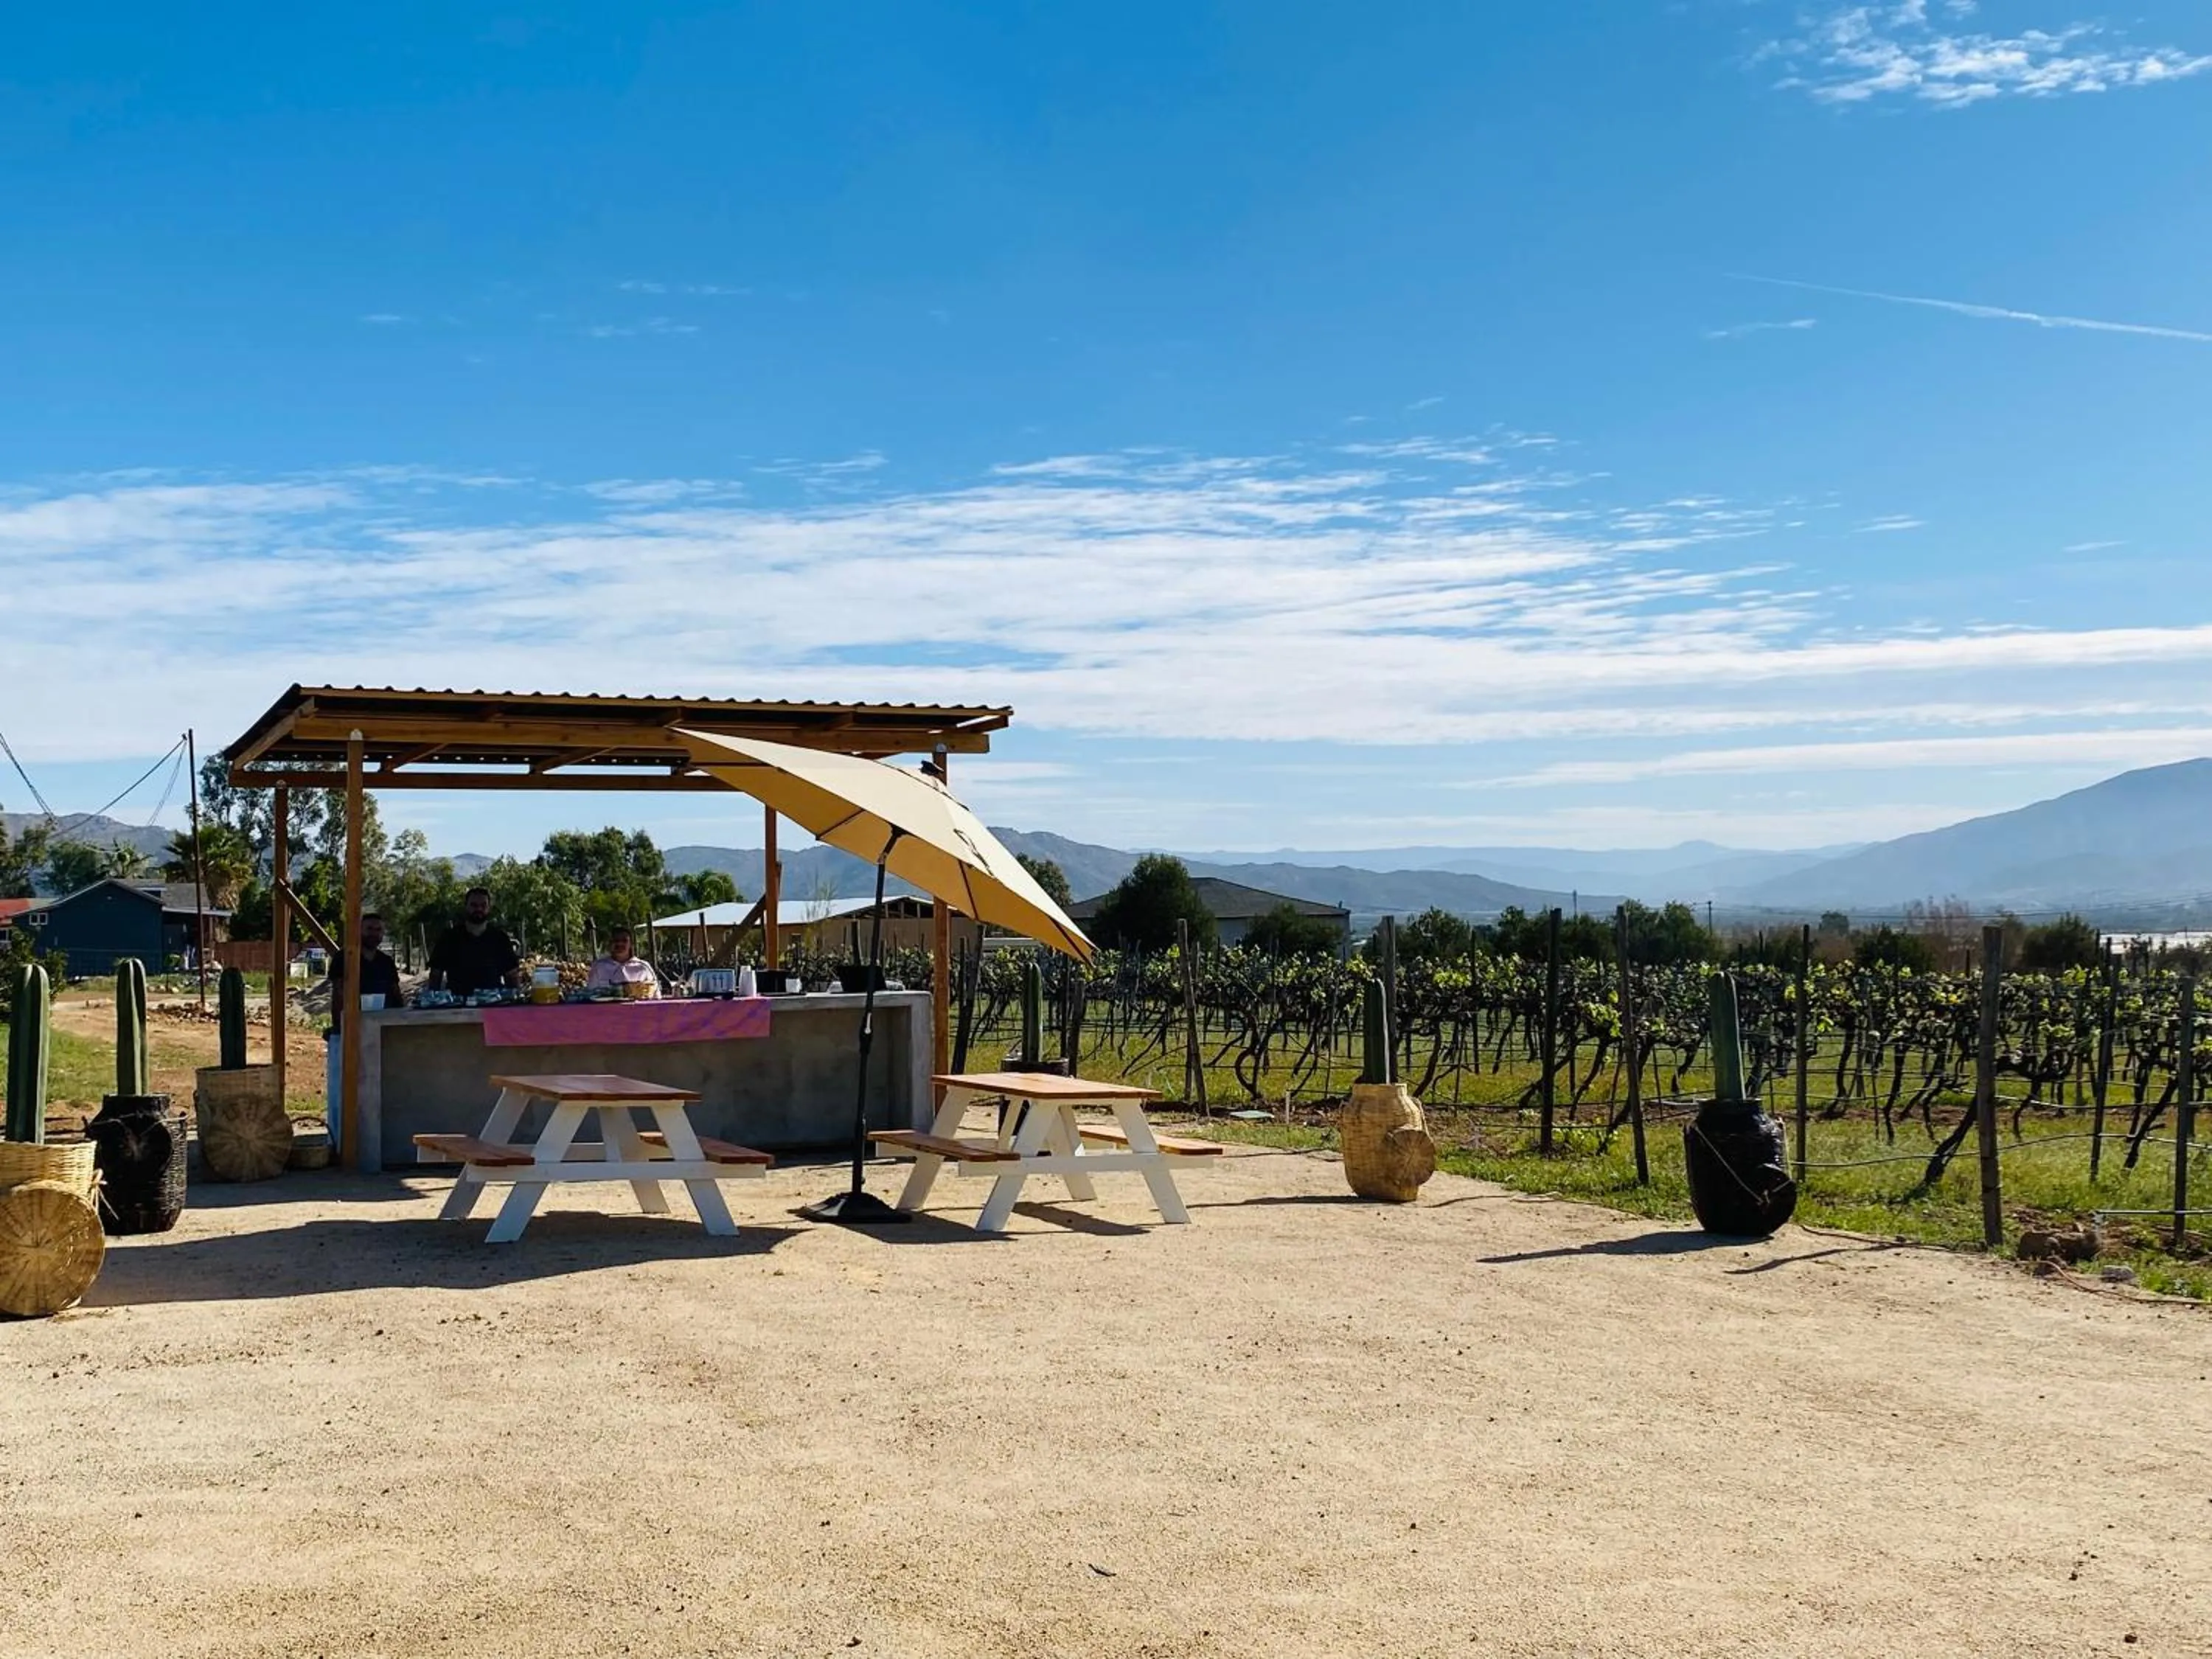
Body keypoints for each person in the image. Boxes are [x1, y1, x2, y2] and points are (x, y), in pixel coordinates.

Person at [426, 886, 523, 998]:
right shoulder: (449, 938)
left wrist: (514, 1003)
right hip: (457, 1005)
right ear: (466, 907)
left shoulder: (500, 939)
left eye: (483, 905)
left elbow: (511, 976)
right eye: (474, 905)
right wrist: (433, 1001)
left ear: (489, 908)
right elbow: (435, 975)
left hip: (493, 1003)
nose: (479, 909)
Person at [327, 912, 403, 1028]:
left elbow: (395, 993)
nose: (374, 933)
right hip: (353, 1024)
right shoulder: (344, 958)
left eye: (378, 930)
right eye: (369, 929)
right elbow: (338, 994)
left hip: (383, 1023)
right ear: (360, 930)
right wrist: (339, 1026)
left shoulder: (386, 961)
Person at [585, 927, 661, 994]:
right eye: (616, 940)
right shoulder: (599, 966)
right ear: (610, 943)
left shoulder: (643, 967)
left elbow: (656, 995)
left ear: (631, 944)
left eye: (624, 941)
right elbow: (590, 993)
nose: (620, 943)